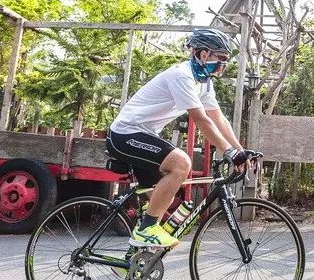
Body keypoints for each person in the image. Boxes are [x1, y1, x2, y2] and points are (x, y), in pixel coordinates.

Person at [106, 28, 251, 249]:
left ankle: (133, 263)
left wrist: (240, 150)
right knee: (181, 163)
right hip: (125, 134)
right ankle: (146, 231)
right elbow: (201, 119)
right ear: (203, 55)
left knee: (161, 204)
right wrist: (228, 152)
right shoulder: (181, 75)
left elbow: (218, 118)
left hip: (143, 135)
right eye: (220, 58)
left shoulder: (203, 82)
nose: (223, 64)